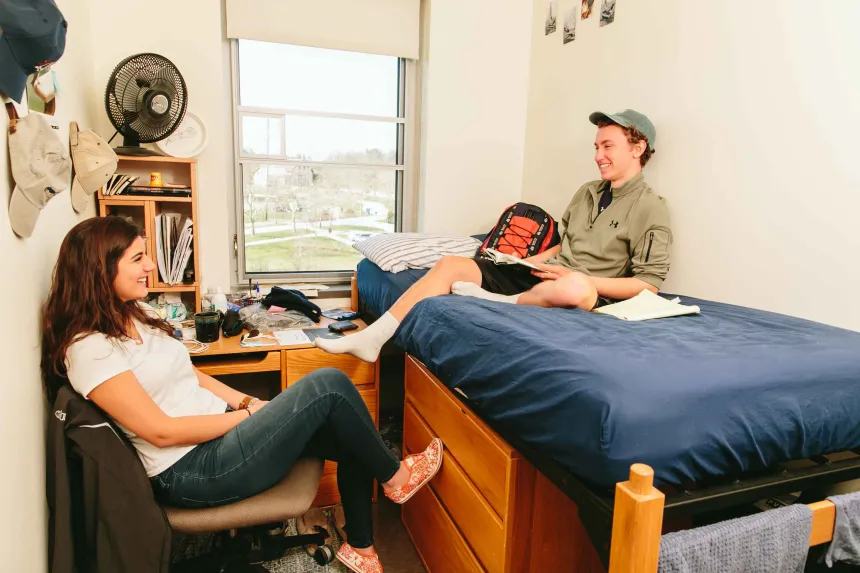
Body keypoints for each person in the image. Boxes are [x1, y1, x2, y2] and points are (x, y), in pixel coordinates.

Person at [40, 217, 443, 573]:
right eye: (137, 258)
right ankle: (396, 477)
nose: (150, 266)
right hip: (190, 470)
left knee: (349, 431)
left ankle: (360, 548)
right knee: (329, 384)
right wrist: (249, 418)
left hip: (218, 437)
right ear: (100, 270)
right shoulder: (89, 349)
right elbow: (160, 432)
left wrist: (246, 402)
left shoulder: (135, 315)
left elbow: (191, 375)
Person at [316, 109, 672, 363]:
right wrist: (528, 262)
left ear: (637, 148)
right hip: (544, 278)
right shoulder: (587, 192)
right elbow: (565, 244)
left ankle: (496, 300)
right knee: (451, 265)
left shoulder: (650, 207)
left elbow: (649, 284)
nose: (598, 156)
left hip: (584, 291)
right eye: (596, 147)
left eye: (607, 146)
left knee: (574, 286)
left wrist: (577, 276)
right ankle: (373, 337)